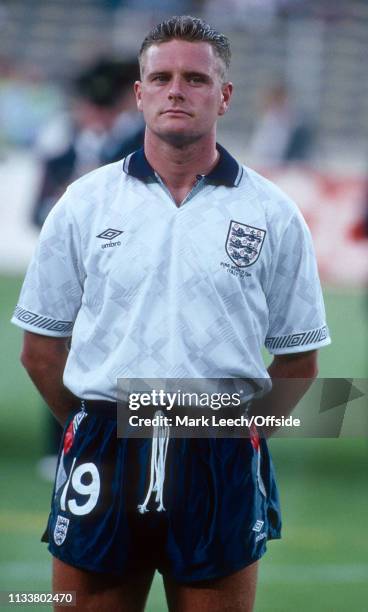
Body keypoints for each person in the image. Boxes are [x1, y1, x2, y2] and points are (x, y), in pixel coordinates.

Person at [12, 15, 330, 612]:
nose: (176, 90)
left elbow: (300, 364)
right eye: (160, 77)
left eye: (195, 78)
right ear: (139, 93)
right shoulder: (84, 203)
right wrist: (99, 424)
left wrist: (236, 434)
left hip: (222, 450)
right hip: (104, 448)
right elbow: (40, 350)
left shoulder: (275, 213)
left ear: (225, 95)